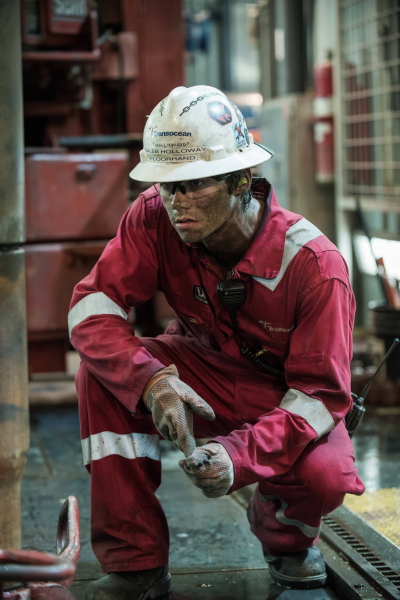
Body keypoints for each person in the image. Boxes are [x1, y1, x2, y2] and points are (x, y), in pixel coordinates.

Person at [69, 85, 364, 599]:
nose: (176, 202)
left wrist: (238, 455)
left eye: (195, 185)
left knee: (327, 473)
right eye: (167, 186)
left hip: (283, 397)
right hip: (197, 373)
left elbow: (319, 396)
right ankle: (136, 563)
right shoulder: (152, 216)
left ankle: (285, 535)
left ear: (241, 180)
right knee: (101, 375)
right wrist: (151, 380)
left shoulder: (315, 267)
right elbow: (93, 306)